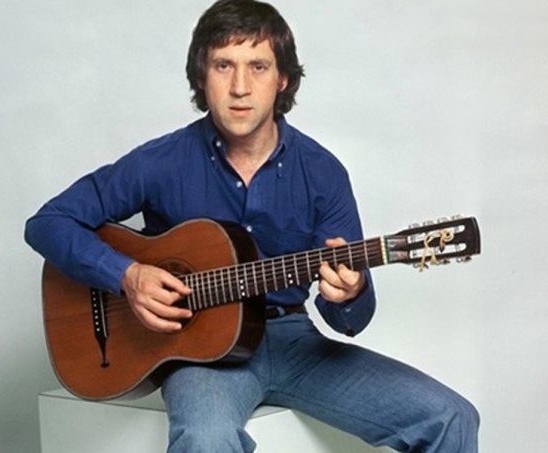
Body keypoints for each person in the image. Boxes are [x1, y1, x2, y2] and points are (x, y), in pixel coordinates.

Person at [25, 0, 480, 451]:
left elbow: (351, 320)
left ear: (282, 79)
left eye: (258, 67)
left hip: (296, 346)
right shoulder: (160, 162)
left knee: (451, 418)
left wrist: (351, 292)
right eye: (223, 65)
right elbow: (47, 222)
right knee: (206, 438)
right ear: (201, 76)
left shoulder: (322, 172)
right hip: (202, 357)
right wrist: (126, 275)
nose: (240, 87)